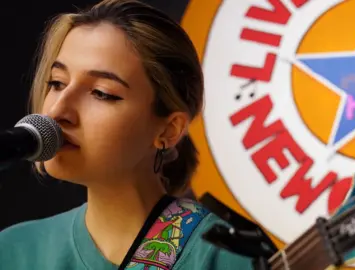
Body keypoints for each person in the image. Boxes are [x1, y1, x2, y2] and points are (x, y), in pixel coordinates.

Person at [0, 0, 254, 269]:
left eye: (101, 93)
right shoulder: (14, 250)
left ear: (169, 130)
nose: (58, 110)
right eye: (57, 83)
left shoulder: (223, 257)